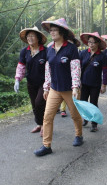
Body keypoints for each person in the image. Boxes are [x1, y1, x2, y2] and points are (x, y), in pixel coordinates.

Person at [33, 18, 83, 156]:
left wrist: (75, 87)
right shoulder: (49, 49)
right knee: (47, 116)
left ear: (62, 32)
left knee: (74, 115)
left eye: (55, 30)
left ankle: (79, 135)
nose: (52, 32)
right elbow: (48, 70)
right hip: (54, 89)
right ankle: (46, 145)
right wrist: (46, 87)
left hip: (69, 90)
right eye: (51, 30)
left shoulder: (71, 49)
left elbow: (75, 69)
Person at [14, 26, 47, 137]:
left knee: (39, 103)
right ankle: (39, 124)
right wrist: (17, 79)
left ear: (38, 38)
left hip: (44, 83)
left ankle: (44, 126)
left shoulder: (45, 51)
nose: (30, 38)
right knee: (34, 105)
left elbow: (50, 68)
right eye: (28, 36)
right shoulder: (25, 51)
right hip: (31, 82)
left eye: (32, 36)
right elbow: (21, 66)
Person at [79, 32, 107, 132]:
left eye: (93, 42)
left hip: (95, 84)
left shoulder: (102, 56)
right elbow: (77, 68)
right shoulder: (83, 53)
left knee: (93, 103)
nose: (91, 44)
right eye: (89, 42)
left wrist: (103, 85)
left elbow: (105, 71)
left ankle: (94, 123)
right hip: (83, 83)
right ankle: (86, 118)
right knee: (83, 103)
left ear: (98, 43)